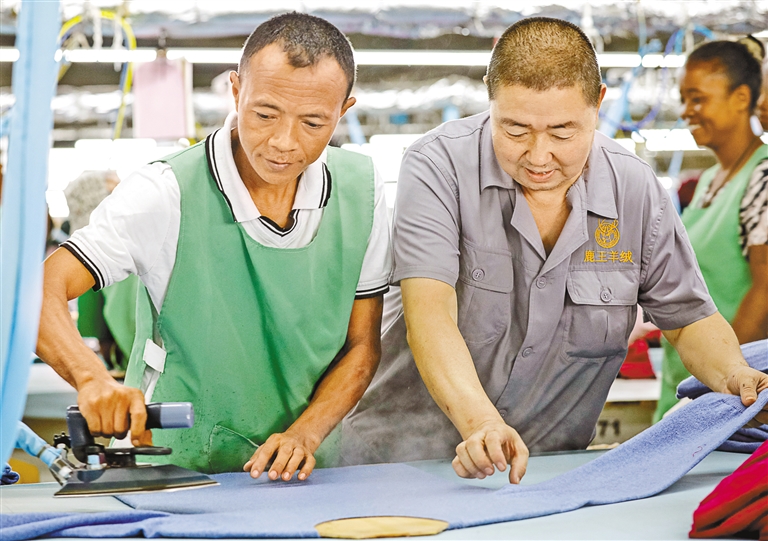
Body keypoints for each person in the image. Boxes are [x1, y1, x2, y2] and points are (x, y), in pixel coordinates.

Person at [341, 17, 768, 484]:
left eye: (563, 132)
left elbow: (687, 321)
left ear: (598, 103)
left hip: (546, 475)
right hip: (398, 466)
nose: (539, 156)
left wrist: (734, 373)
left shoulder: (635, 189)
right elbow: (431, 313)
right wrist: (480, 423)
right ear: (490, 96)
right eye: (515, 130)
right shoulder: (438, 167)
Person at [36, 12, 391, 480]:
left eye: (312, 122)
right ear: (236, 91)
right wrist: (91, 378)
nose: (284, 142)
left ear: (343, 112)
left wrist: (305, 435)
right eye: (265, 114)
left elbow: (361, 347)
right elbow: (41, 290)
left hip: (301, 475)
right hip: (174, 470)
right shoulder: (167, 191)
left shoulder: (362, 192)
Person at [653, 39, 768, 421]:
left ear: (741, 97)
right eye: (684, 99)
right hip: (687, 389)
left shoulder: (763, 177)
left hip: (732, 398)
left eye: (698, 99)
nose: (687, 111)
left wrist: (721, 380)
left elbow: (765, 291)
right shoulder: (707, 182)